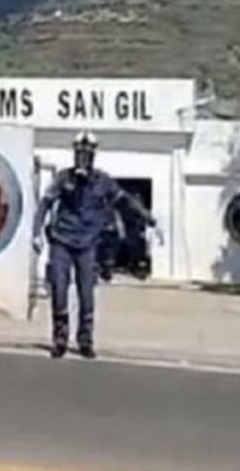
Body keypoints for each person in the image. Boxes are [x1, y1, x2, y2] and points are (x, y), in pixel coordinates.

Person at [32, 132, 159, 359]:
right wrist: (36, 233)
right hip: (62, 240)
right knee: (59, 289)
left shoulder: (102, 181)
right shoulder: (64, 178)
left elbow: (125, 201)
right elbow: (46, 202)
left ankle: (85, 340)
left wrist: (147, 217)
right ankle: (60, 337)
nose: (82, 157)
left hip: (87, 244)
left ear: (92, 156)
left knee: (86, 294)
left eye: (87, 154)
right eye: (79, 153)